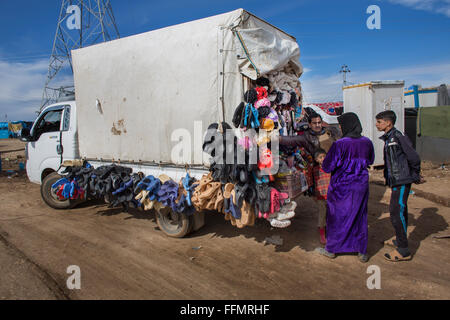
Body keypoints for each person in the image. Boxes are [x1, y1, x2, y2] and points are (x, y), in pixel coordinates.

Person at [315, 112, 374, 263]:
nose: (340, 128)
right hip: (360, 185)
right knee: (359, 216)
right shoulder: (367, 142)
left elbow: (328, 166)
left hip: (341, 186)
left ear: (346, 126)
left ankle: (332, 249)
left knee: (336, 217)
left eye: (341, 125)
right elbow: (370, 159)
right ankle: (361, 250)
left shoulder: (340, 144)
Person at [375, 110, 421, 262]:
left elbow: (414, 157)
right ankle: (399, 240)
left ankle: (403, 250)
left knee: (396, 211)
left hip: (402, 180)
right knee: (401, 210)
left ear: (388, 123)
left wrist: (413, 175)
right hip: (397, 180)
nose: (377, 124)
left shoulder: (398, 137)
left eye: (379, 121)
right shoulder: (390, 138)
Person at [313, 148, 331, 245]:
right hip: (320, 197)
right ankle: (322, 234)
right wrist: (314, 195)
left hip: (330, 196)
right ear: (316, 160)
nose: (323, 159)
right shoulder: (314, 170)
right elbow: (312, 183)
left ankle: (328, 230)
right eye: (320, 157)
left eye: (324, 156)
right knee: (322, 214)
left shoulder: (330, 168)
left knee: (330, 214)